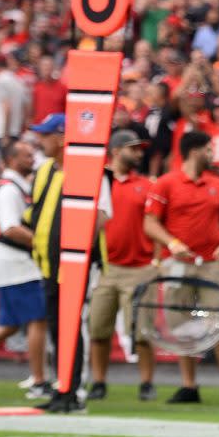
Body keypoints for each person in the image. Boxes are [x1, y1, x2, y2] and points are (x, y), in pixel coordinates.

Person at [22, 113, 111, 413]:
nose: (40, 140)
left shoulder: (90, 169)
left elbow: (101, 215)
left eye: (45, 135)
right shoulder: (45, 169)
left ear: (61, 139)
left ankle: (74, 392)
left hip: (78, 264)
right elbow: (37, 213)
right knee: (57, 328)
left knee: (74, 327)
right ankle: (62, 388)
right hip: (48, 263)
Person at [143, 130, 219, 405]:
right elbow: (150, 223)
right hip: (178, 264)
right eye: (209, 149)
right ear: (195, 151)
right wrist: (172, 243)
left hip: (212, 264)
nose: (213, 155)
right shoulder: (165, 183)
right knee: (181, 324)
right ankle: (189, 385)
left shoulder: (217, 184)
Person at [88, 130, 156, 402]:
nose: (140, 154)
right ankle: (99, 382)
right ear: (116, 151)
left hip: (140, 266)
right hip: (105, 267)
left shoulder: (147, 185)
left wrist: (158, 260)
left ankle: (147, 382)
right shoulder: (98, 182)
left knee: (142, 331)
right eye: (134, 149)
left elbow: (156, 223)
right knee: (98, 328)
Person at [0, 140, 49, 399]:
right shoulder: (9, 190)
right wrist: (44, 241)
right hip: (17, 264)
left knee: (10, 325)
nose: (33, 160)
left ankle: (39, 378)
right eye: (27, 156)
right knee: (37, 319)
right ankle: (39, 380)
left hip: (12, 264)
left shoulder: (17, 186)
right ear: (11, 159)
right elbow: (10, 228)